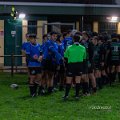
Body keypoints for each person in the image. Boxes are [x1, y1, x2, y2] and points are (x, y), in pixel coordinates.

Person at [63, 34, 86, 100]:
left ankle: (66, 95)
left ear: (73, 40)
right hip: (79, 65)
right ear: (79, 40)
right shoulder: (83, 48)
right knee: (78, 80)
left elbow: (65, 57)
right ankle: (77, 95)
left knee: (69, 81)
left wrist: (66, 66)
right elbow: (84, 58)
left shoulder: (69, 47)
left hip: (71, 65)